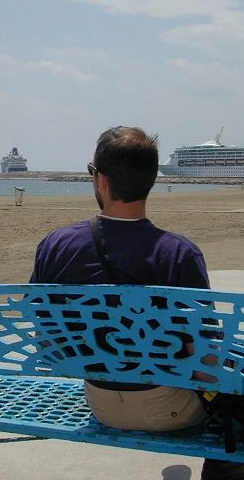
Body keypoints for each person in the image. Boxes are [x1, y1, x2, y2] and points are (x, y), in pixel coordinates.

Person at [30, 126, 243, 479]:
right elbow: (206, 360)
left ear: (100, 181)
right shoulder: (179, 254)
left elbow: (45, 336)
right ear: (151, 181)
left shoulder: (56, 245)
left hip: (99, 402)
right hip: (171, 409)